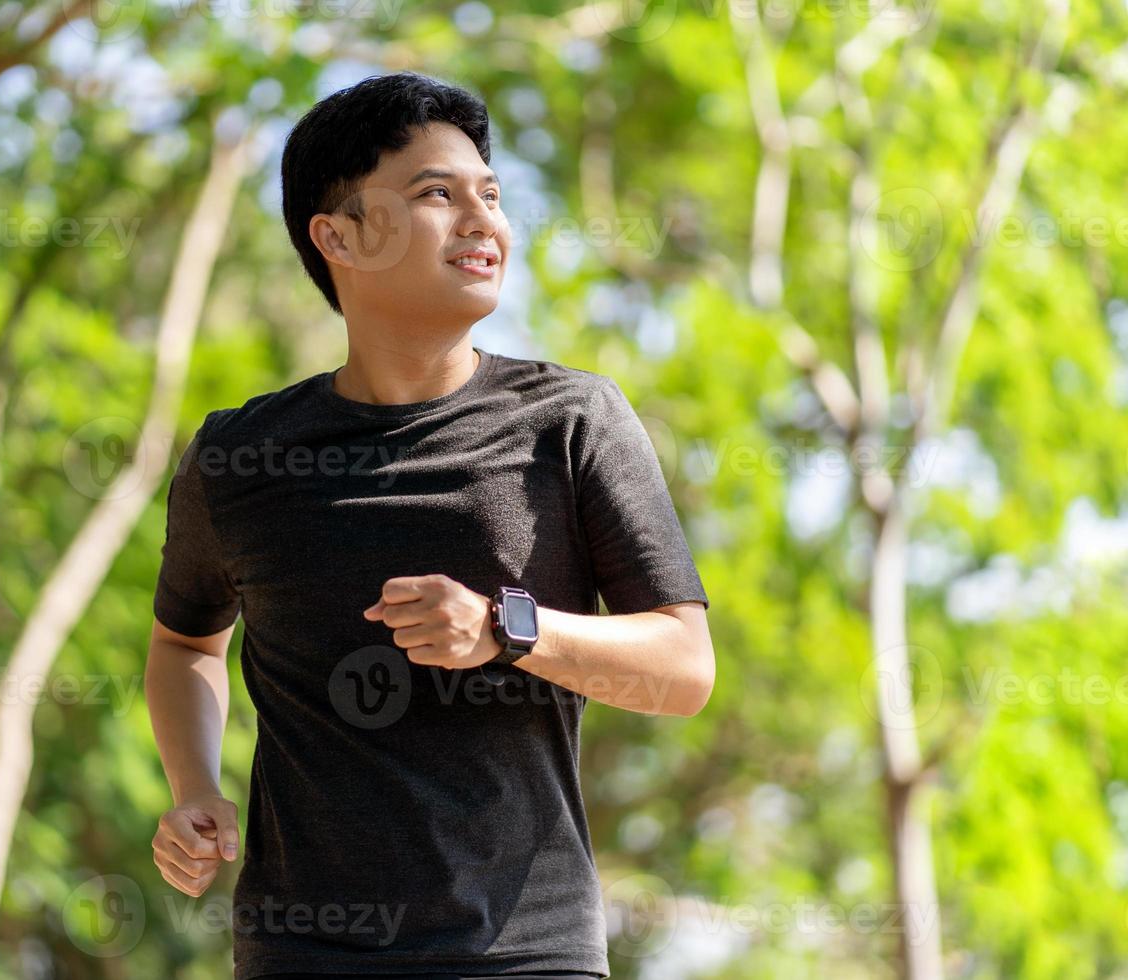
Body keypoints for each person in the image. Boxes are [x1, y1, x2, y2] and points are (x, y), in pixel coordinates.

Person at [145, 70, 715, 980]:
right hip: (303, 955)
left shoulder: (573, 422)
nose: (482, 220)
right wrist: (193, 790)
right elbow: (185, 645)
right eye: (436, 195)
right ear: (338, 236)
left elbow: (684, 670)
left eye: (490, 194)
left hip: (527, 952)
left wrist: (503, 629)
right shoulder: (239, 457)